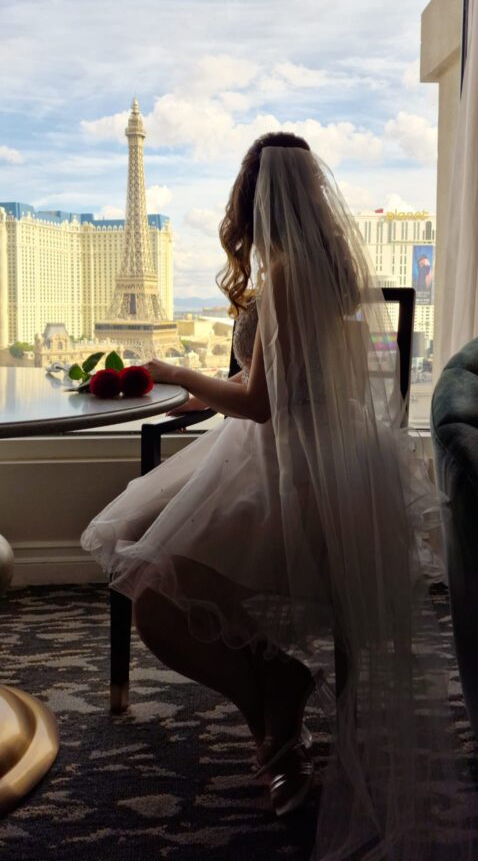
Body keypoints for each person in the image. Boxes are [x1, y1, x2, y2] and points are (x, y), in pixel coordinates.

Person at [82, 134, 471, 860]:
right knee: (165, 576)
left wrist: (177, 373)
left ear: (250, 197)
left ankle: (276, 698)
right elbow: (295, 386)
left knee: (158, 604)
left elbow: (261, 403)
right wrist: (205, 400)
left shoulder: (287, 275)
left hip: (284, 459)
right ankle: (276, 712)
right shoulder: (325, 265)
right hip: (327, 455)